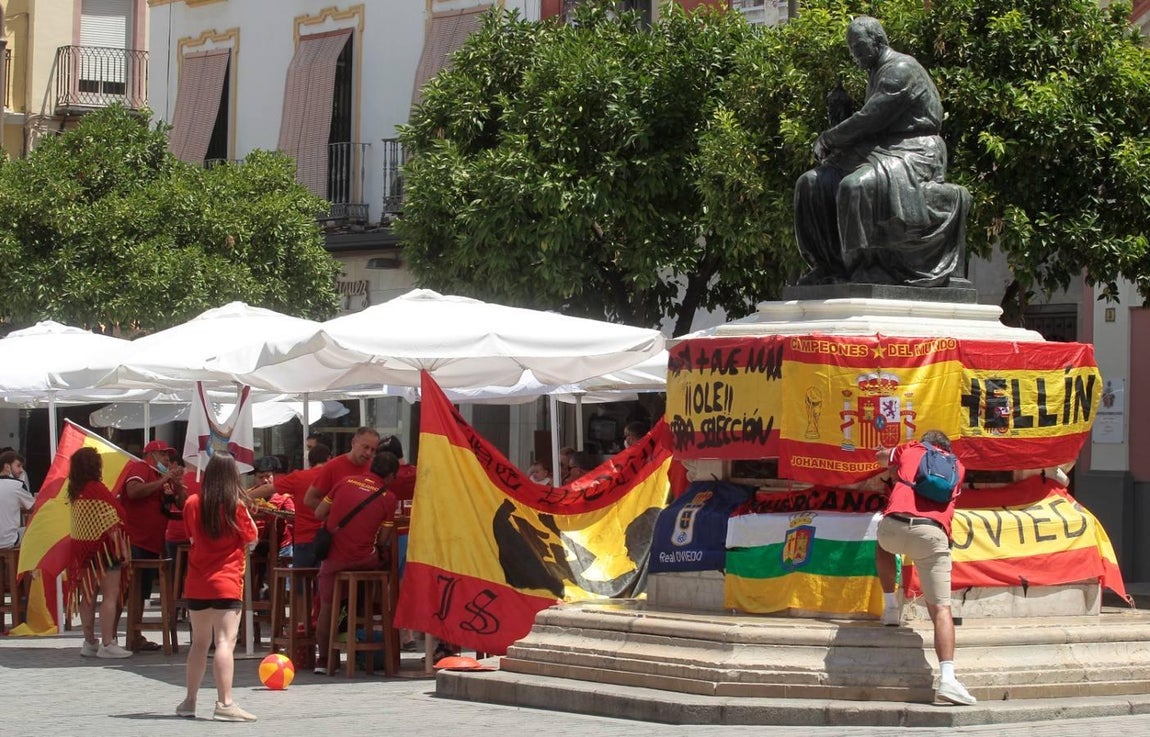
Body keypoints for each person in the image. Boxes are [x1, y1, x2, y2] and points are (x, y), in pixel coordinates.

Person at [794, 16, 970, 287]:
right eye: (851, 49)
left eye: (859, 46)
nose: (855, 54)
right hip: (882, 149)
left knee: (855, 186)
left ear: (878, 41)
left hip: (915, 150)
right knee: (811, 183)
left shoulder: (901, 68)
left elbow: (871, 118)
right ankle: (829, 265)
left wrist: (829, 139)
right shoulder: (876, 72)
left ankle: (863, 266)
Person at [874, 429, 975, 706]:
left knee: (882, 544)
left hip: (895, 525)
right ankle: (948, 679)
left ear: (926, 443)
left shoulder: (911, 448)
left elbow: (882, 457)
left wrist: (883, 452)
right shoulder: (958, 466)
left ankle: (890, 607)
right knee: (941, 610)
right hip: (932, 533)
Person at [177, 452, 259, 722]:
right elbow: (252, 537)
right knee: (224, 642)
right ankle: (225, 703)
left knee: (199, 643)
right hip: (227, 581)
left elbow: (191, 537)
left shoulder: (192, 502)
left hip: (197, 582)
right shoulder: (236, 505)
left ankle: (189, 701)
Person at [312, 451, 399, 675]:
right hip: (363, 560)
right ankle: (372, 616)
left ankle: (324, 660)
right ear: (391, 476)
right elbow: (383, 539)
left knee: (327, 608)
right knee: (385, 565)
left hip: (332, 559)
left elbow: (319, 512)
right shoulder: (388, 497)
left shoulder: (344, 482)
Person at [115, 439, 182, 651]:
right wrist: (163, 480)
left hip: (152, 542)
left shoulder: (161, 476)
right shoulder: (141, 468)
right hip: (134, 540)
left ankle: (135, 636)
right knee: (125, 591)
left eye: (168, 455)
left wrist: (177, 484)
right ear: (151, 454)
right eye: (163, 454)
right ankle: (112, 636)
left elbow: (180, 504)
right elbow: (133, 491)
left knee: (141, 591)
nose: (167, 459)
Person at [66, 447, 132, 659]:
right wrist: (123, 549)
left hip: (82, 548)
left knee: (88, 595)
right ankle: (107, 643)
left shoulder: (74, 491)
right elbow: (114, 519)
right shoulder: (97, 489)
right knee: (110, 596)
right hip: (105, 549)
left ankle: (89, 642)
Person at [250, 443, 331, 568]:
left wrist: (240, 497)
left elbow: (268, 489)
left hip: (302, 540)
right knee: (326, 578)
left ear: (309, 461)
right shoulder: (336, 478)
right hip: (329, 539)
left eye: (267, 476)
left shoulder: (298, 478)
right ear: (329, 458)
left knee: (300, 577)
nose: (264, 480)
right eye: (261, 477)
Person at [303, 427, 380, 512]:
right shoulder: (332, 466)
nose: (368, 453)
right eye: (365, 447)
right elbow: (309, 499)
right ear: (353, 443)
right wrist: (335, 515)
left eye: (373, 450)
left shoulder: (376, 469)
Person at [0, 450, 34, 549]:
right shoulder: (17, 485)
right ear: (7, 467)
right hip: (8, 540)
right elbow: (34, 507)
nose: (22, 470)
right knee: (39, 530)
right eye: (18, 466)